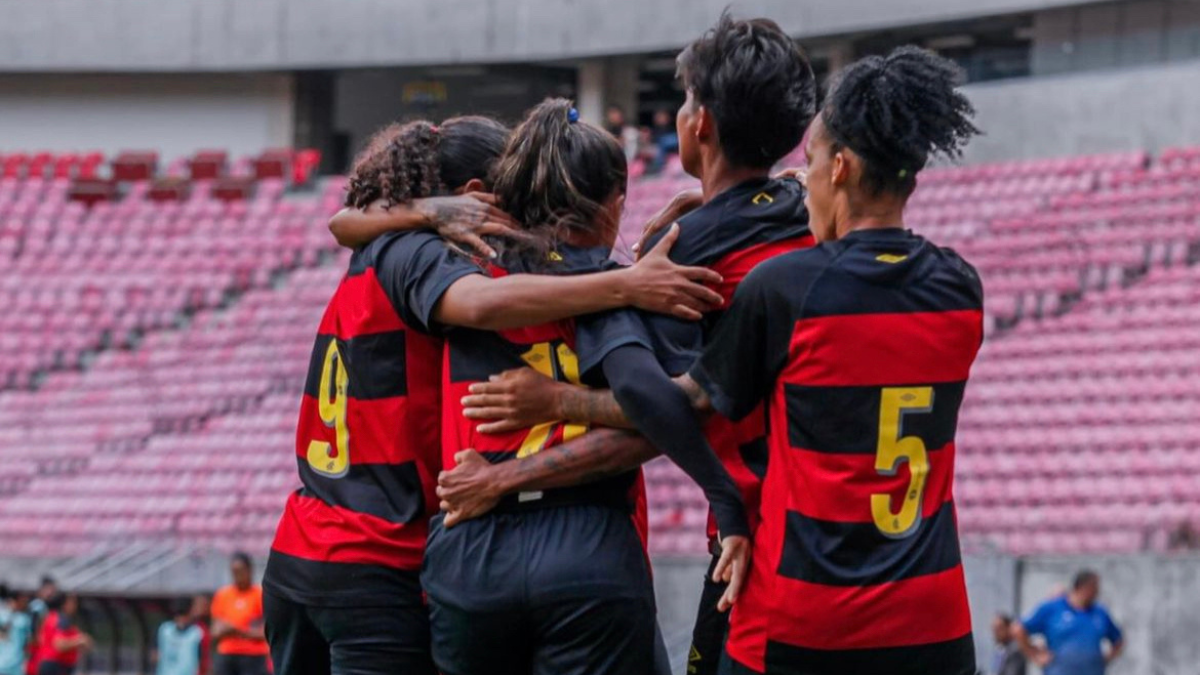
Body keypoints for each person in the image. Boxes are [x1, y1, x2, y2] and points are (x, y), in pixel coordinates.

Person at [263, 115, 724, 675]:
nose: (531, 212)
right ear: (474, 197)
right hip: (384, 560)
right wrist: (625, 284)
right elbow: (666, 412)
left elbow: (345, 222)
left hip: (315, 543)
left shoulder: (387, 248)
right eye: (517, 196)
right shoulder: (442, 268)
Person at [440, 14, 817, 675]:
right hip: (830, 532)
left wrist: (556, 401)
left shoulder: (662, 265)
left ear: (699, 125)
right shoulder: (810, 222)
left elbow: (666, 410)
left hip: (747, 539)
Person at [656, 46, 982, 675]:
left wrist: (558, 400)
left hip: (805, 620)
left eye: (807, 164)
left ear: (840, 168)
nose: (799, 185)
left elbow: (689, 401)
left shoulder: (786, 287)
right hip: (933, 623)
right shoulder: (960, 287)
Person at [419, 98, 748, 675]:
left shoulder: (455, 278)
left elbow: (353, 223)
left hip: (468, 546)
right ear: (615, 202)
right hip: (588, 545)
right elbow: (665, 411)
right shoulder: (629, 290)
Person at [1015, 570, 1124, 675]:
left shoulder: (1099, 613)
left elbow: (1118, 640)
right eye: (1095, 588)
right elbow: (1019, 629)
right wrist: (1034, 654)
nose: (1097, 593)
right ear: (1083, 587)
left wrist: (1106, 659)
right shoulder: (1053, 608)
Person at [211, 553, 268, 675]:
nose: (237, 575)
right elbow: (215, 631)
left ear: (249, 570)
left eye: (240, 571)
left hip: (253, 656)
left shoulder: (260, 595)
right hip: (226, 654)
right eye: (234, 571)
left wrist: (238, 631)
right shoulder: (223, 595)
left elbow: (266, 633)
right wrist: (225, 630)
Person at [34, 594, 90, 675]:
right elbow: (59, 644)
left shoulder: (51, 617)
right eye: (73, 602)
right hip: (56, 665)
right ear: (64, 605)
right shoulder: (61, 620)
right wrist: (79, 641)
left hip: (48, 664)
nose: (76, 605)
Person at [155, 599, 204, 675]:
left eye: (184, 615)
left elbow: (202, 658)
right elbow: (156, 653)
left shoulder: (195, 633)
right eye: (178, 615)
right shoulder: (165, 630)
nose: (181, 619)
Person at [0, 585, 34, 675]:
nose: (25, 603)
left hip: (15, 666)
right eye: (22, 601)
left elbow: (28, 642)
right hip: (9, 666)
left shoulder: (24, 618)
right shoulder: (23, 619)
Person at [188, 595, 212, 675]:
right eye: (200, 605)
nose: (203, 608)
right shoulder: (188, 627)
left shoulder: (207, 626)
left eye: (206, 605)